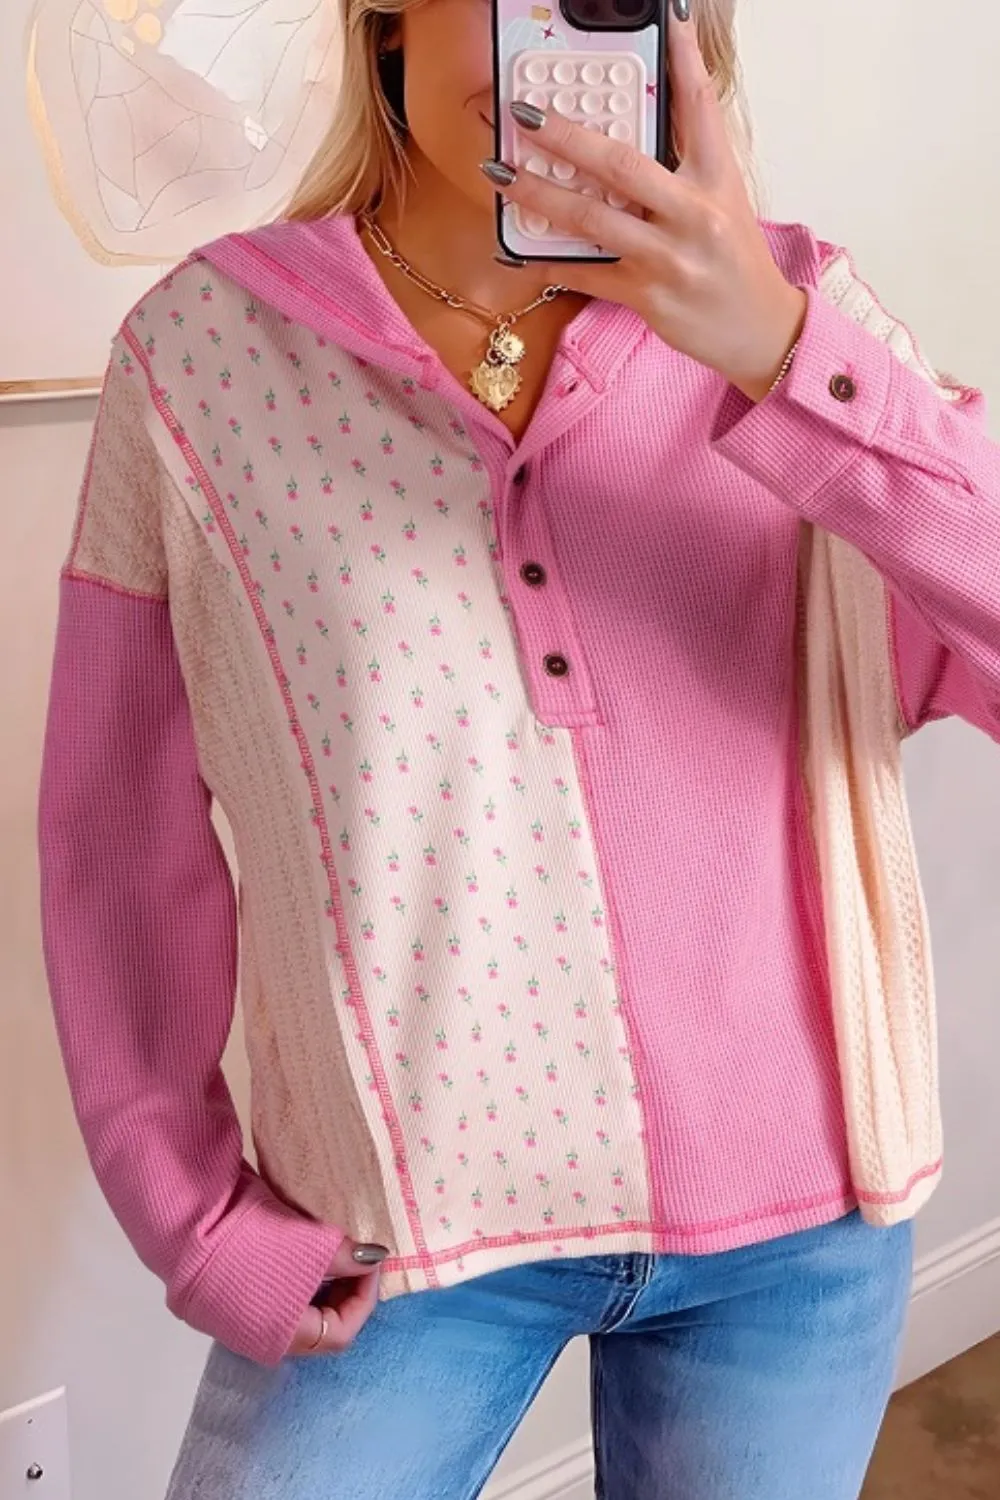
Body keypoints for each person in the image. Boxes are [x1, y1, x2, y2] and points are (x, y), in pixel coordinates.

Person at [35, 0, 1000, 1496]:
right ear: (386, 21)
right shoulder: (204, 357)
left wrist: (781, 357)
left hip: (798, 1224)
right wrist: (198, 1220)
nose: (551, 40)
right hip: (404, 1237)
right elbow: (118, 841)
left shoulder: (804, 316)